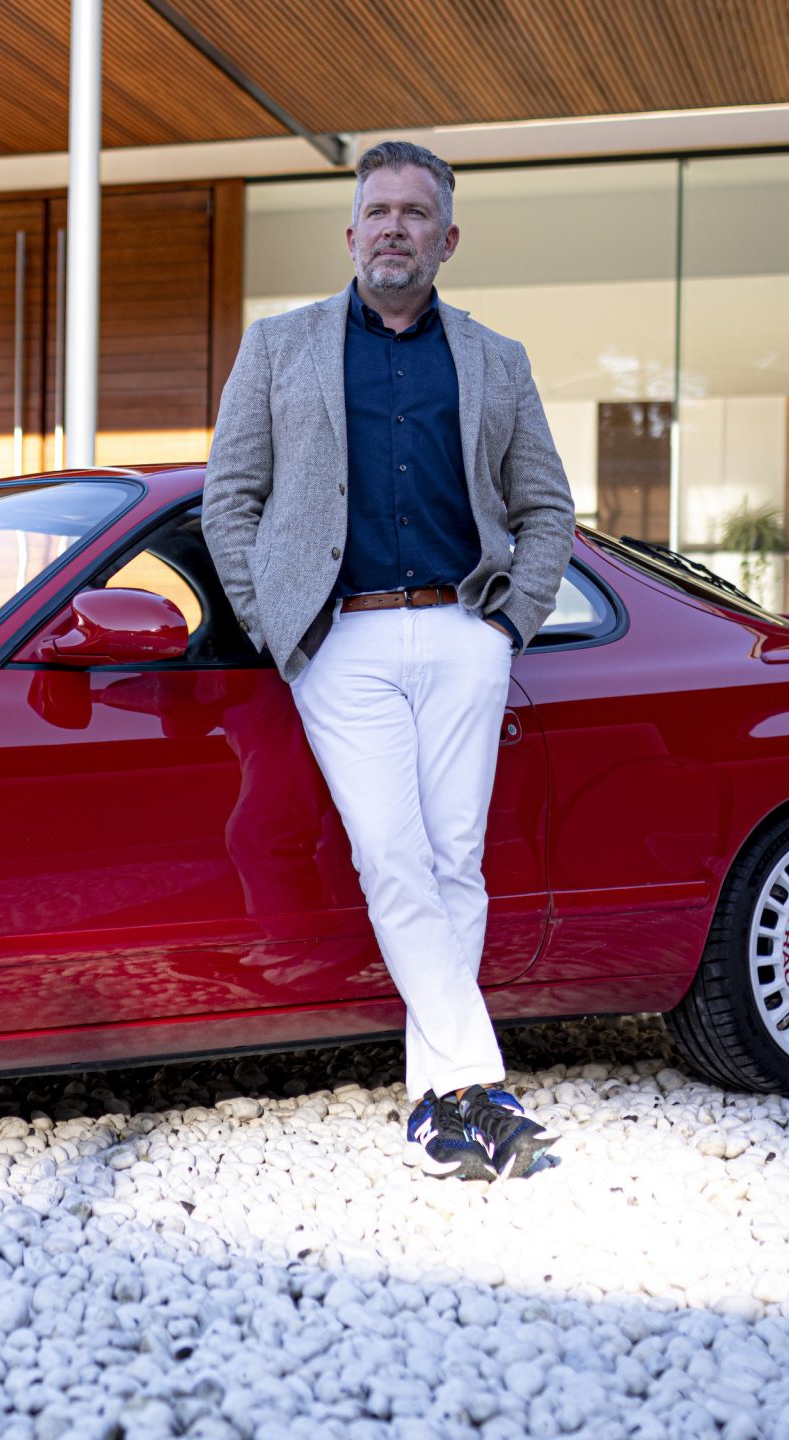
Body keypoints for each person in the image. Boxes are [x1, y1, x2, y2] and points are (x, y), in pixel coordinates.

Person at [204, 140, 577, 1181]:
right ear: (352, 229)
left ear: (446, 238)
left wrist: (511, 623)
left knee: (455, 859)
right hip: (342, 641)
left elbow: (547, 506)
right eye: (378, 210)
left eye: (416, 213)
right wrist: (279, 625)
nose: (394, 227)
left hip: (464, 632)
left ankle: (435, 1108)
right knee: (391, 855)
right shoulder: (279, 347)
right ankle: (485, 1083)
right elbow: (227, 501)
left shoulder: (496, 358)